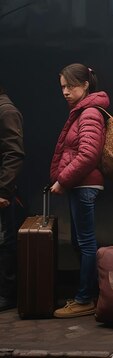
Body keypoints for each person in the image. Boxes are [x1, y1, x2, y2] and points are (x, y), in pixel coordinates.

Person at [50, 64, 107, 318]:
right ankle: (89, 294)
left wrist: (62, 180)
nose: (65, 91)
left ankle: (86, 299)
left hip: (84, 185)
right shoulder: (81, 111)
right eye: (62, 86)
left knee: (85, 243)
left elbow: (88, 155)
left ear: (85, 85)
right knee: (81, 241)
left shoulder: (89, 113)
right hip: (79, 184)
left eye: (70, 85)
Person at [0, 85, 25, 311]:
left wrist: (3, 190)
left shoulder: (6, 111)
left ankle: (7, 295)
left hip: (4, 190)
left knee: (6, 240)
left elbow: (13, 153)